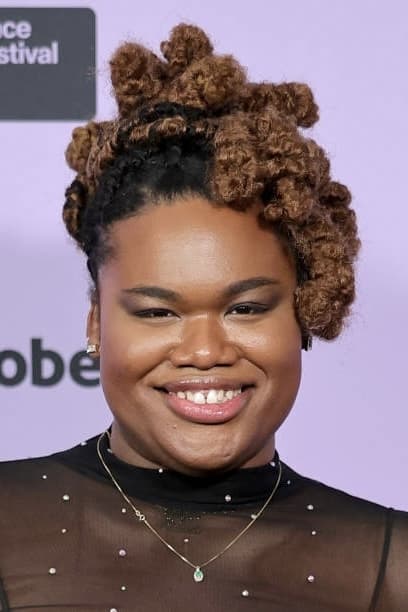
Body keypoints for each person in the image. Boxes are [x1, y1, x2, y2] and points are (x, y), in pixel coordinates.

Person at [0, 22, 407, 612]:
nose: (205, 351)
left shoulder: (389, 565)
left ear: (307, 308)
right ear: (96, 325)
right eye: (157, 311)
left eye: (245, 308)